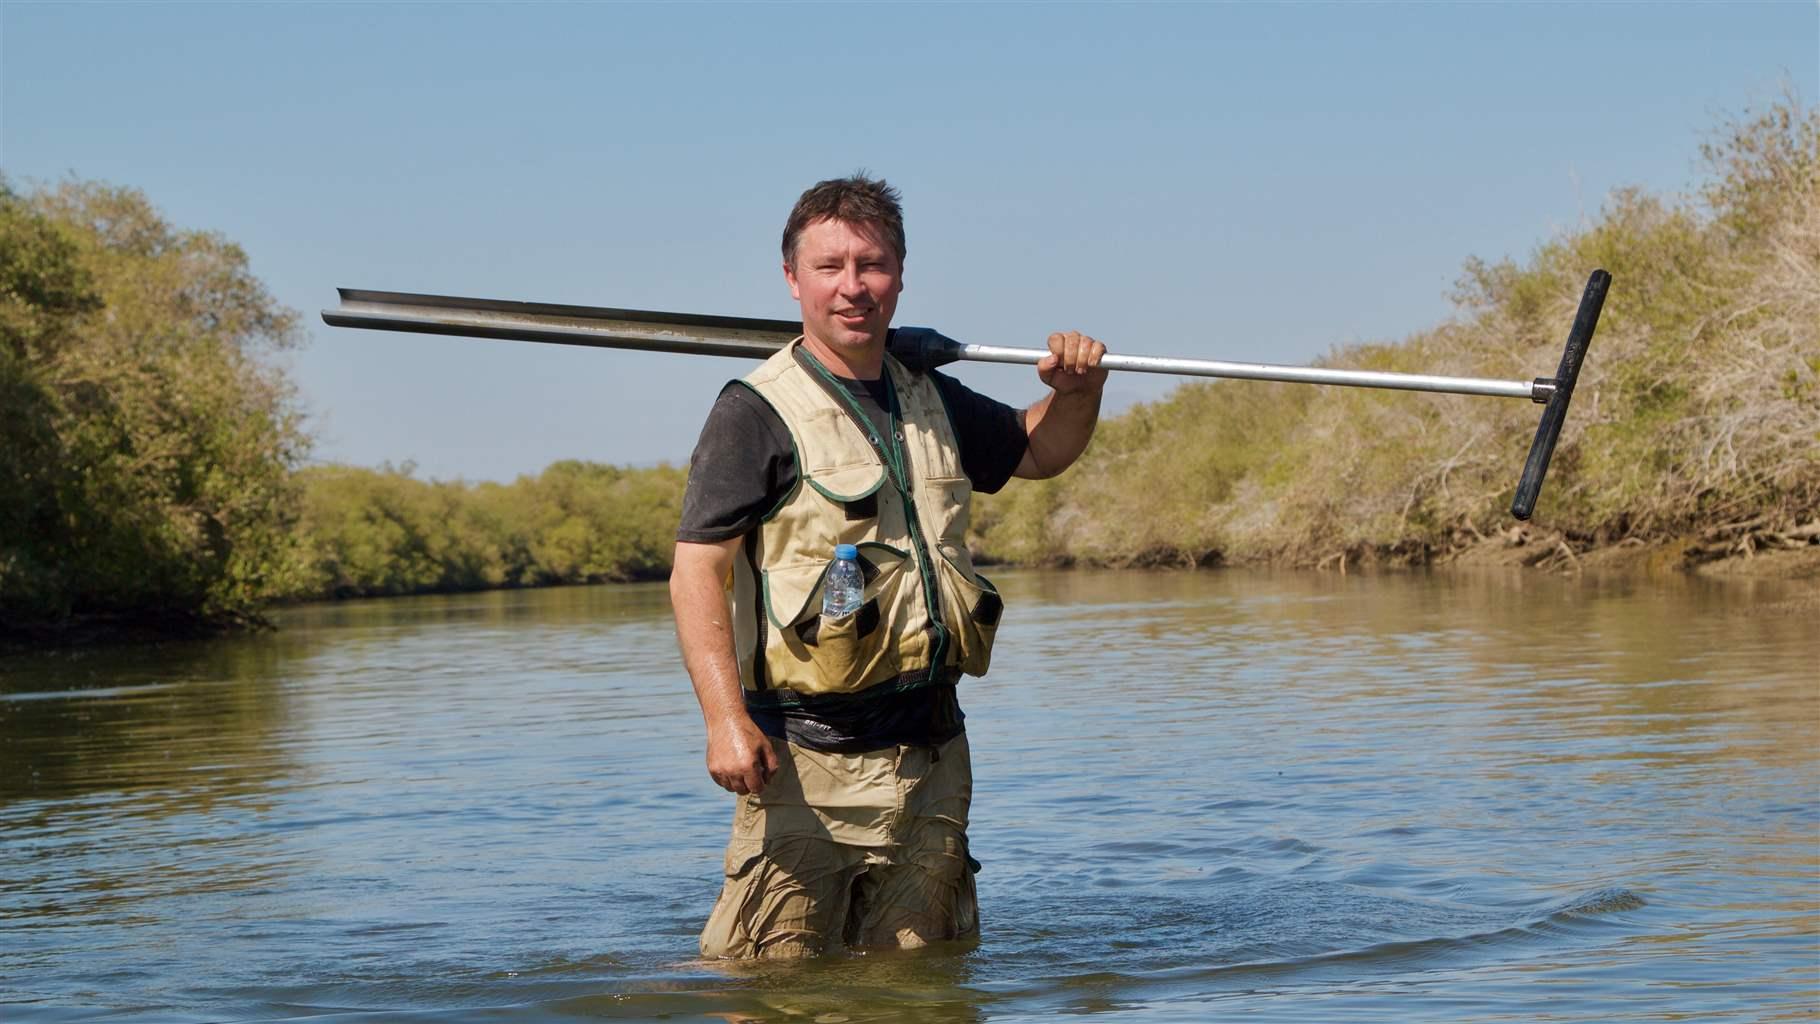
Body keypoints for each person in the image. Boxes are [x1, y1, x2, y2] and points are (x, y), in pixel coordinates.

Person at [670, 174, 1107, 958]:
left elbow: (1039, 449)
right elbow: (696, 571)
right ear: (791, 278)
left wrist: (1078, 391)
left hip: (933, 757)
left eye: (871, 265)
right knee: (773, 983)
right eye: (830, 266)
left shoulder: (927, 393)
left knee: (921, 980)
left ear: (899, 275)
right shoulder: (755, 410)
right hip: (806, 766)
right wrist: (725, 724)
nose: (853, 287)